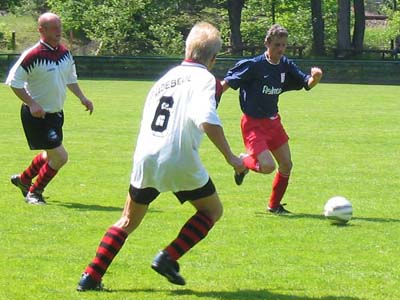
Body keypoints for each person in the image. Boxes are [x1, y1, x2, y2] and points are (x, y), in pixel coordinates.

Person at [76, 21, 245, 291]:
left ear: (187, 49)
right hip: (178, 157)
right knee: (212, 210)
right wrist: (232, 158)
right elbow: (207, 119)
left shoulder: (164, 78)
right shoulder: (205, 79)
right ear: (213, 59)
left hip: (146, 156)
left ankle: (90, 277)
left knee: (128, 220)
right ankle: (168, 257)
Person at [222, 24, 323, 214]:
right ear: (267, 43)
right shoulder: (254, 65)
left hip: (273, 123)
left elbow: (306, 83)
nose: (281, 49)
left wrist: (315, 78)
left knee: (286, 165)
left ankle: (274, 206)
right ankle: (243, 163)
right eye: (277, 45)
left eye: (284, 45)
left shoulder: (285, 64)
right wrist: (214, 94)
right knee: (268, 166)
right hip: (253, 124)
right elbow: (228, 82)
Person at [5, 12, 94, 205]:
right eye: (54, 28)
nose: (58, 31)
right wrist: (32, 104)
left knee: (49, 155)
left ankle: (23, 179)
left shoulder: (64, 53)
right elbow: (14, 82)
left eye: (59, 27)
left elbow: (70, 79)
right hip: (36, 116)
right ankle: (34, 193)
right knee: (60, 157)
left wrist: (82, 97)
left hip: (56, 114)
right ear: (41, 30)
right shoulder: (32, 55)